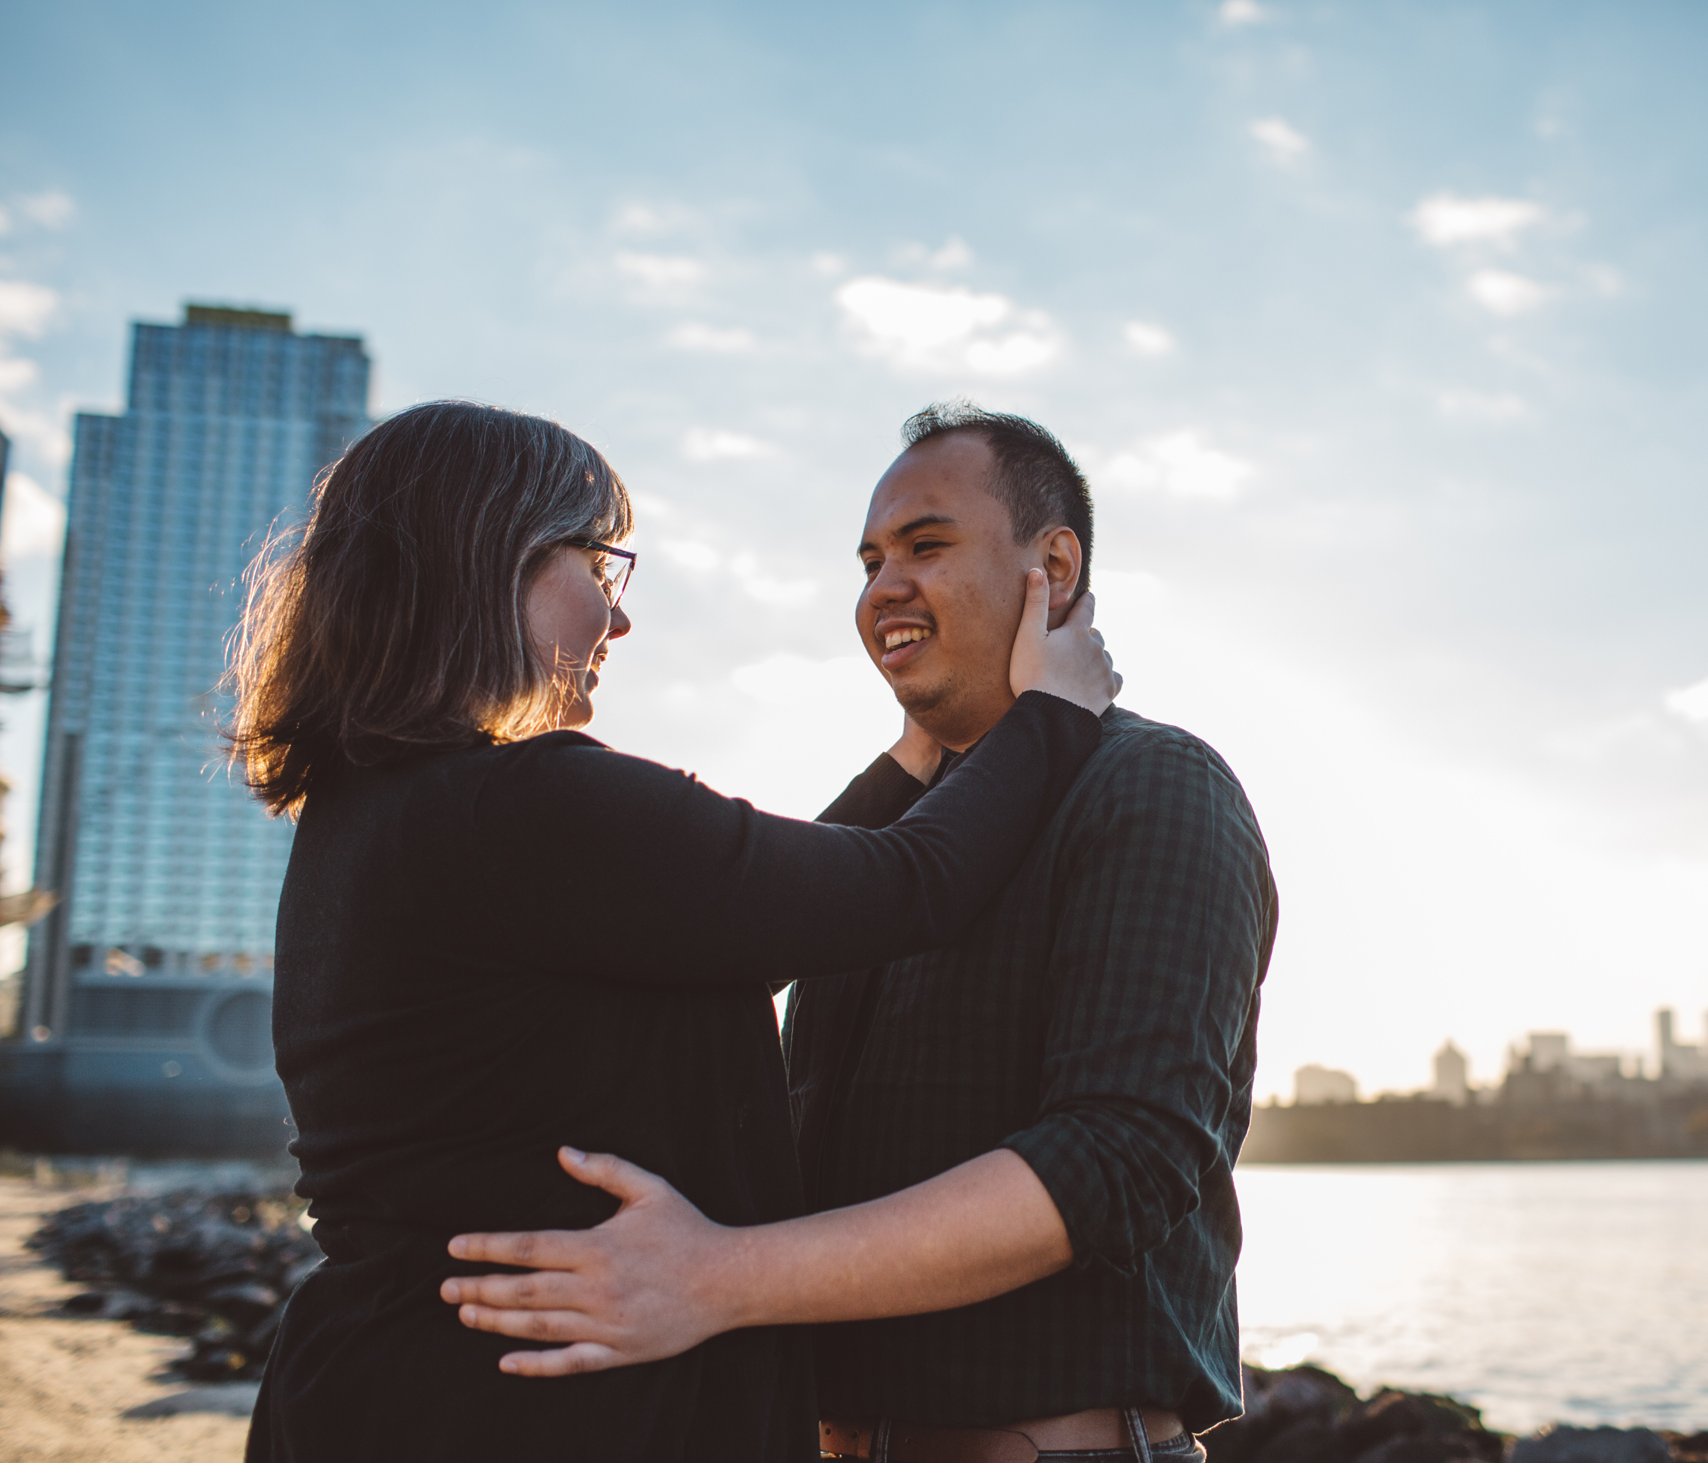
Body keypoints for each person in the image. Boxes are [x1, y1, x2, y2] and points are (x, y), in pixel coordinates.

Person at [228, 399, 1119, 1462]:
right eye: (601, 569)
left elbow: (746, 915)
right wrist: (1053, 712)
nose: (617, 620)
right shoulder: (523, 808)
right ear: (493, 554)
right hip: (524, 1414)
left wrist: (916, 754)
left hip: (384, 1389)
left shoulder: (372, 814)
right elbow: (908, 886)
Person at [444, 403, 1276, 1463]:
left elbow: (1120, 1157)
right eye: (870, 560)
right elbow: (732, 946)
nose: (884, 585)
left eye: (927, 546)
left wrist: (715, 1275)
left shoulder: (1155, 784)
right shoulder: (902, 835)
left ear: (1051, 568)